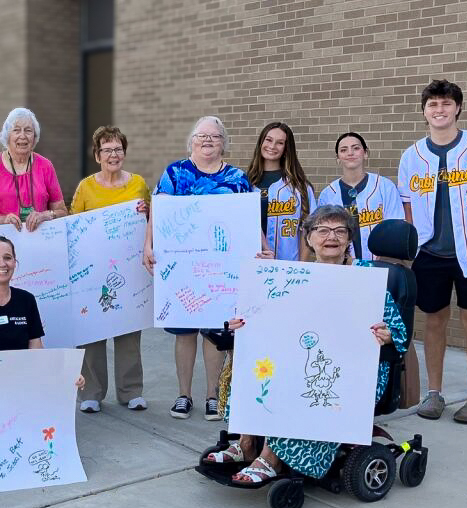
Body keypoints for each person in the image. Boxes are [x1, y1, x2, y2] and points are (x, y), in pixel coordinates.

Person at [206, 205, 408, 485]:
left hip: (358, 369)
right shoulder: (298, 276)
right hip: (307, 356)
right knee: (253, 363)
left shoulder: (365, 277)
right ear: (309, 238)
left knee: (293, 379)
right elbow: (272, 319)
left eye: (340, 231)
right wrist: (246, 322)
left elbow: (399, 331)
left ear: (349, 239)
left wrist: (387, 335)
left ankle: (271, 458)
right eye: (322, 230)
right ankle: (247, 441)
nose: (331, 237)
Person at [399, 79, 467, 424]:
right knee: (434, 320)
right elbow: (408, 206)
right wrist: (414, 249)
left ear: (458, 108)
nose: (440, 110)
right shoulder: (412, 154)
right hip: (430, 253)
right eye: (432, 105)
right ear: (424, 112)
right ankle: (435, 393)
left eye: (446, 103)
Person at [141, 116, 258, 421]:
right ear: (191, 141)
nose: (208, 141)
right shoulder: (175, 173)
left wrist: (262, 248)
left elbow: (248, 219)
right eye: (201, 136)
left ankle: (212, 395)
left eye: (215, 136)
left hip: (222, 269)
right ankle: (184, 394)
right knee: (184, 332)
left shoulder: (237, 178)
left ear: (224, 143)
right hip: (182, 266)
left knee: (215, 330)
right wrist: (148, 245)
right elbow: (160, 211)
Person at [0, 236, 84, 439]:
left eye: (7, 258)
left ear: (15, 262)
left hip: (16, 384)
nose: (2, 264)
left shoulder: (26, 300)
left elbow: (36, 348)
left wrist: (64, 376)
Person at [71, 125, 150, 413]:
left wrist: (147, 212)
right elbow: (73, 225)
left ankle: (130, 391)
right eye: (107, 150)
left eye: (118, 149)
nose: (113, 155)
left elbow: (152, 222)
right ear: (97, 155)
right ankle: (91, 392)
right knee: (93, 330)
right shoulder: (85, 188)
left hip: (129, 270)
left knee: (128, 329)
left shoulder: (139, 184)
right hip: (92, 271)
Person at [0, 108, 68, 230]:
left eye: (28, 130)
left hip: (39, 241)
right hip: (2, 243)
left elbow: (62, 211)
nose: (22, 136)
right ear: (8, 136)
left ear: (34, 137)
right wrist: (2, 220)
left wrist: (46, 215)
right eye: (16, 130)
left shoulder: (45, 166)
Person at [316, 132, 405, 260]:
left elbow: (395, 227)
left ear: (366, 153)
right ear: (338, 158)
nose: (350, 153)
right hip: (342, 266)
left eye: (356, 148)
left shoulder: (385, 186)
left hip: (380, 264)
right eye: (343, 150)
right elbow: (323, 236)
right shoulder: (328, 194)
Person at [246, 122, 316, 261]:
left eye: (280, 143)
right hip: (251, 262)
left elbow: (308, 230)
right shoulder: (245, 184)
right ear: (261, 142)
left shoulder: (299, 186)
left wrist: (300, 266)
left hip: (288, 264)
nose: (272, 146)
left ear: (286, 148)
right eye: (268, 140)